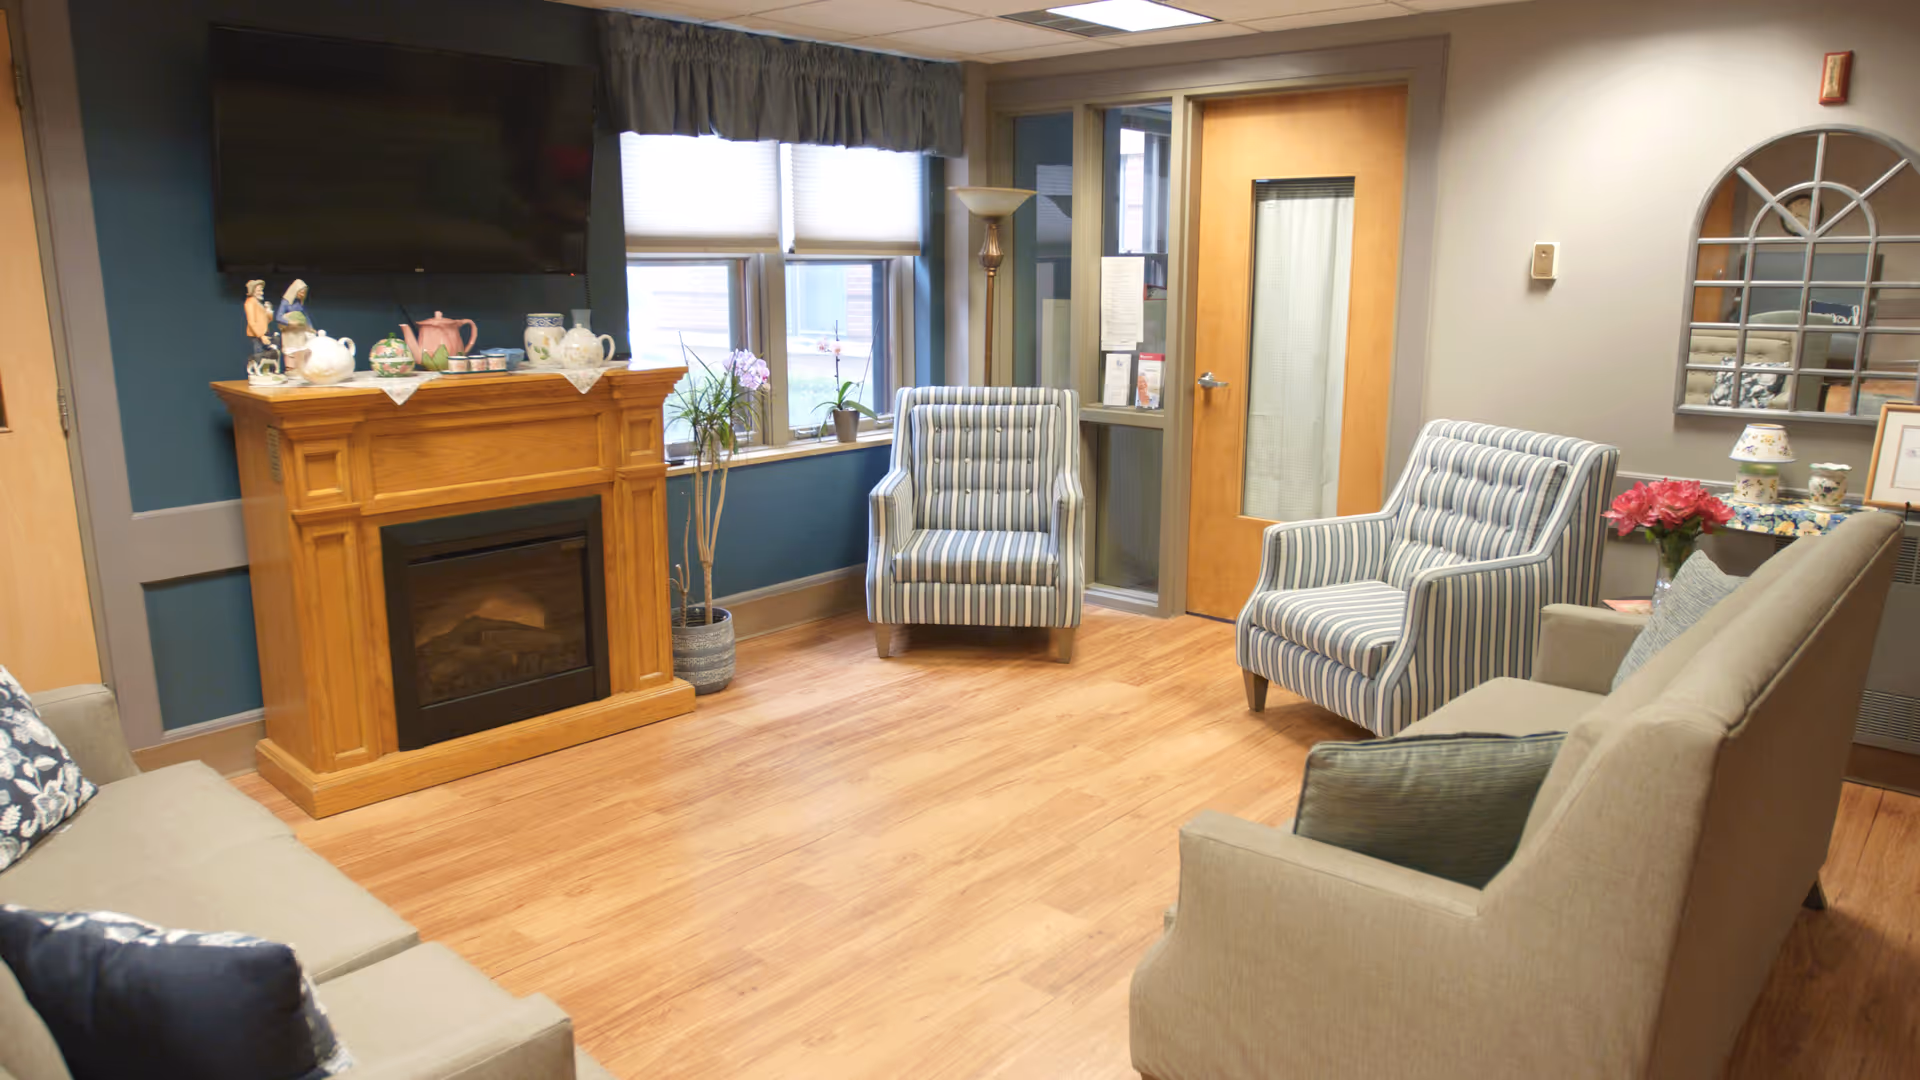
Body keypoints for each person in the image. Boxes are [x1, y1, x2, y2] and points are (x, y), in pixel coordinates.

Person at [276, 279, 313, 374]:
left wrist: (310, 327)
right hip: (290, 332)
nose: (302, 294)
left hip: (299, 332)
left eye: (304, 293)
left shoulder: (299, 303)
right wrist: (290, 323)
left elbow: (305, 315)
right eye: (301, 292)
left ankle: (299, 368)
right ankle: (290, 368)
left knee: (300, 349)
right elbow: (278, 317)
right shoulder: (286, 302)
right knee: (290, 350)